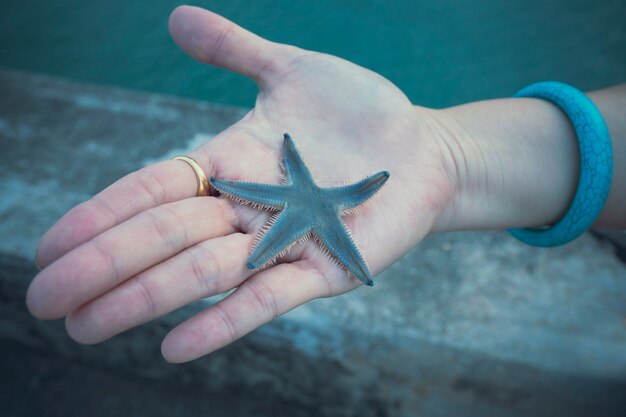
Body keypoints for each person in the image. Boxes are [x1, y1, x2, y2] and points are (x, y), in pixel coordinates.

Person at [25, 5, 625, 363]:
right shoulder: (310, 195)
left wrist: (442, 156)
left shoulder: (324, 199)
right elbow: (306, 186)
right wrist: (445, 154)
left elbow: (331, 193)